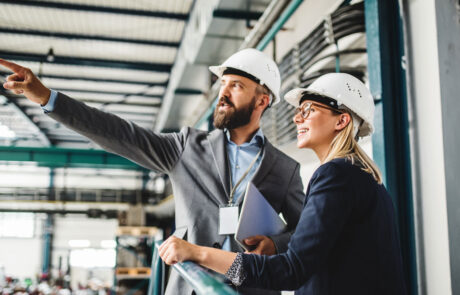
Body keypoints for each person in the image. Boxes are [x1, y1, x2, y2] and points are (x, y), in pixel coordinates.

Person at [0, 48, 305, 295]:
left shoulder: (284, 168)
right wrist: (46, 97)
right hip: (191, 286)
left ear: (262, 100)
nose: (222, 94)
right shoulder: (187, 146)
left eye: (235, 86)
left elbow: (306, 232)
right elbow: (120, 133)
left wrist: (275, 244)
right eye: (222, 84)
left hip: (253, 287)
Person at [158, 73, 407, 295]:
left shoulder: (335, 176)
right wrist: (275, 244)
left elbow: (290, 270)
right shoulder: (365, 178)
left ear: (341, 121)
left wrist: (198, 253)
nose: (297, 118)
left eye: (308, 109)